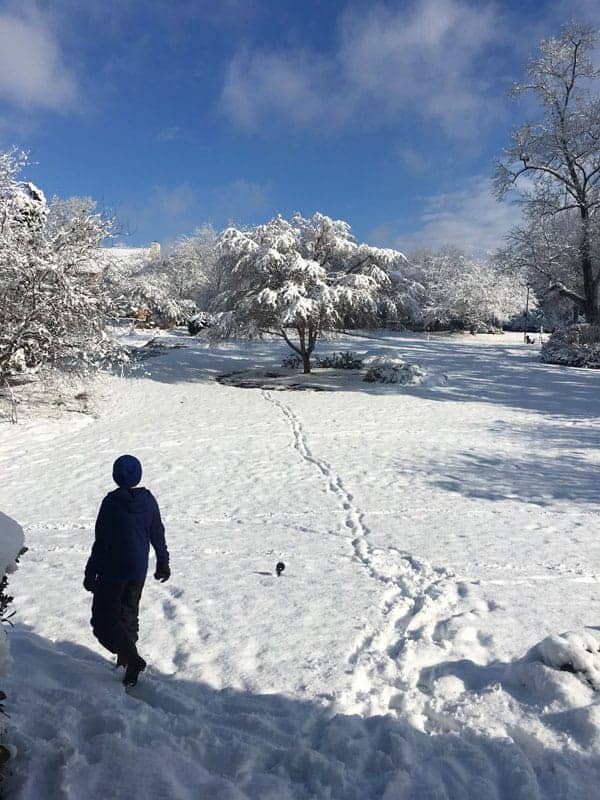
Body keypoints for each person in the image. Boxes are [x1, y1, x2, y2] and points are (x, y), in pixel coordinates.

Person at [84, 454, 170, 687]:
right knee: (128, 616)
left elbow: (101, 541)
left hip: (113, 571)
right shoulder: (148, 500)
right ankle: (126, 661)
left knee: (103, 621)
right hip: (137, 570)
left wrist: (90, 572)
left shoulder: (111, 503)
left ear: (115, 476)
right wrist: (163, 561)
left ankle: (131, 659)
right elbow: (157, 533)